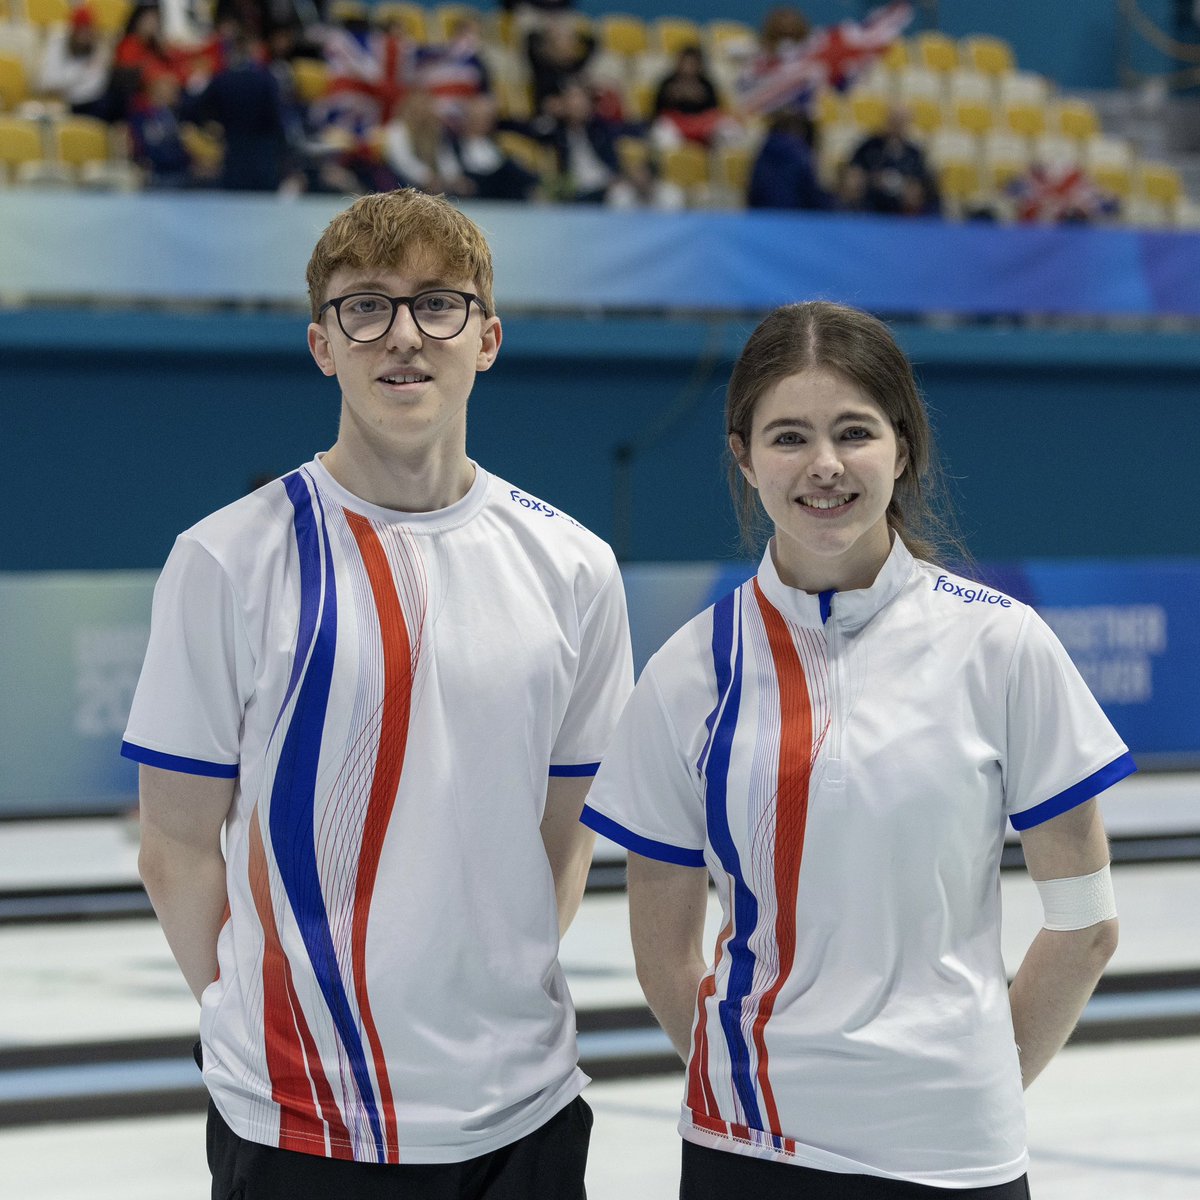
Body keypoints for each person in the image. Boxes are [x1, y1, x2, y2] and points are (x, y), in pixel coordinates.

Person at [122, 188, 633, 1198]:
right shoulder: (226, 559)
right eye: (366, 307)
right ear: (323, 343)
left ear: (486, 338)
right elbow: (174, 846)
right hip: (301, 1115)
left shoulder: (574, 566)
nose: (403, 335)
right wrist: (260, 1015)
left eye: (437, 304)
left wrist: (478, 989)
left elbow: (564, 832)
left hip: (522, 1107)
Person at [581, 301, 1133, 1199]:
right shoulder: (689, 672)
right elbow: (663, 949)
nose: (825, 465)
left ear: (903, 447)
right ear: (743, 456)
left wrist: (969, 1087)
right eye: (789, 436)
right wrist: (759, 1090)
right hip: (748, 1149)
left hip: (953, 1152)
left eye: (854, 432)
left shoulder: (1002, 647)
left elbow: (1086, 925)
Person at [841, 105, 939, 216]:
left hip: (902, 204)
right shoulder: (869, 146)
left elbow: (923, 182)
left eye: (901, 122)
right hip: (870, 198)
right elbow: (854, 169)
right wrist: (872, 179)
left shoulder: (914, 153)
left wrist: (907, 185)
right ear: (886, 121)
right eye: (893, 120)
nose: (897, 125)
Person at [746, 110, 834, 210]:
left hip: (762, 217)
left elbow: (752, 195)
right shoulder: (801, 156)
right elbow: (813, 197)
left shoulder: (762, 153)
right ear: (799, 130)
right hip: (796, 218)